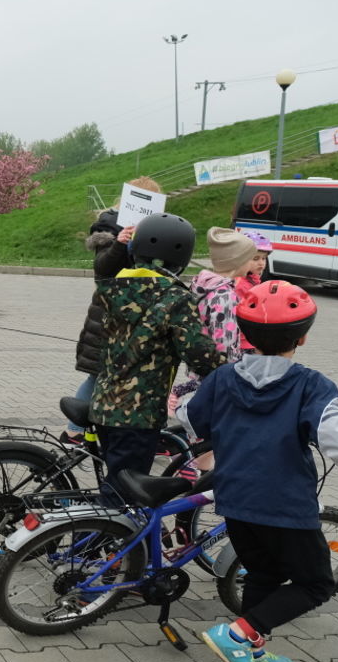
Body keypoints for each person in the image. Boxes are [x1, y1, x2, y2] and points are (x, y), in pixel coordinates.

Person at [179, 281, 338, 662]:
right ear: (303, 336)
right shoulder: (310, 385)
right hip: (284, 504)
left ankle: (251, 649)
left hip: (235, 497)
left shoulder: (224, 377)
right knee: (316, 583)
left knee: (264, 571)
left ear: (246, 335)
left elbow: (192, 420)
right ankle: (239, 635)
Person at [89, 212, 224, 497]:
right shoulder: (174, 298)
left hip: (103, 404)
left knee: (117, 482)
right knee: (124, 497)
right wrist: (229, 369)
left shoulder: (115, 287)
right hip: (138, 415)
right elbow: (199, 353)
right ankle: (102, 537)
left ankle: (103, 534)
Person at [65, 177, 161, 444]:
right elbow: (103, 270)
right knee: (99, 373)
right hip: (109, 314)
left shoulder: (153, 229)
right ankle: (73, 429)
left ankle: (103, 428)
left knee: (114, 374)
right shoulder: (109, 227)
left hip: (137, 313)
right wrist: (121, 242)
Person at [170, 227, 256, 407]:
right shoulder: (225, 296)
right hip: (219, 372)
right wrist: (232, 371)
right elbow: (224, 341)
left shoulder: (204, 285)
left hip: (202, 363)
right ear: (237, 262)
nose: (252, 264)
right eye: (250, 259)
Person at [235, 230, 273, 354]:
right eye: (255, 258)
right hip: (243, 343)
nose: (261, 263)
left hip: (253, 340)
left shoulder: (254, 281)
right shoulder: (240, 284)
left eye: (264, 258)